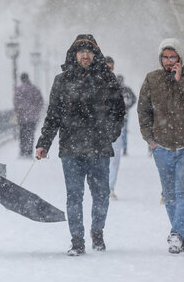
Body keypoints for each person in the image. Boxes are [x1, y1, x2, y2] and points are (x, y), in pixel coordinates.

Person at [35, 34, 125, 256]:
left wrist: (110, 134)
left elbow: (118, 111)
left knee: (101, 194)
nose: (85, 55)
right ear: (74, 54)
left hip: (99, 147)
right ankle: (77, 239)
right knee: (74, 196)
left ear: (96, 55)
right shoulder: (62, 80)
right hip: (71, 148)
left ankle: (97, 232)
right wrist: (44, 143)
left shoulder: (107, 79)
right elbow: (53, 115)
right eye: (81, 51)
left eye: (89, 51)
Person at [137, 38, 184, 254]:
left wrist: (180, 81)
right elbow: (143, 110)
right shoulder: (152, 79)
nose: (168, 61)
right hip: (163, 147)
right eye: (165, 57)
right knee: (169, 195)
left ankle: (175, 233)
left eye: (172, 57)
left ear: (180, 58)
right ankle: (183, 237)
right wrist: (150, 139)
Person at [104, 56, 135, 200]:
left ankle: (109, 187)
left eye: (110, 68)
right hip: (98, 128)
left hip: (116, 126)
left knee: (114, 159)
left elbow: (127, 101)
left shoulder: (119, 87)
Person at [13, 72, 44, 158]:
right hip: (33, 117)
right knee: (30, 134)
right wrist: (36, 110)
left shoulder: (19, 89)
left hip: (22, 117)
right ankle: (29, 151)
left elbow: (16, 103)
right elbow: (40, 101)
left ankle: (23, 151)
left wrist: (18, 111)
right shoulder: (35, 89)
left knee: (22, 134)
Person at [118, 75, 137, 156]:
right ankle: (122, 148)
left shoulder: (126, 89)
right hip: (119, 113)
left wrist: (128, 106)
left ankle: (124, 149)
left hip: (124, 113)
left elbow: (134, 98)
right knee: (122, 131)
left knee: (123, 131)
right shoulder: (114, 88)